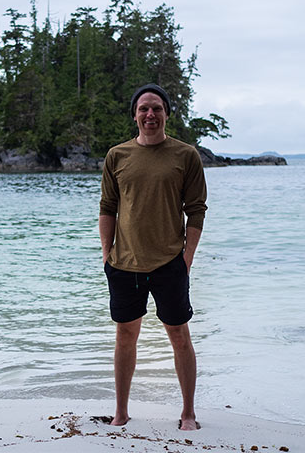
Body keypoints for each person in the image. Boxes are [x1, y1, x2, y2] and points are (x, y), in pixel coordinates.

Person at [99, 83, 207, 431]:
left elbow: (196, 211)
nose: (150, 114)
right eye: (144, 108)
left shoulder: (185, 155)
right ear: (134, 114)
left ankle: (188, 412)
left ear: (166, 114)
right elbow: (108, 208)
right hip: (123, 265)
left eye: (156, 108)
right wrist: (106, 254)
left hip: (169, 264)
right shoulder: (117, 156)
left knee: (179, 335)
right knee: (125, 336)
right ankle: (121, 411)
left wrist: (187, 258)